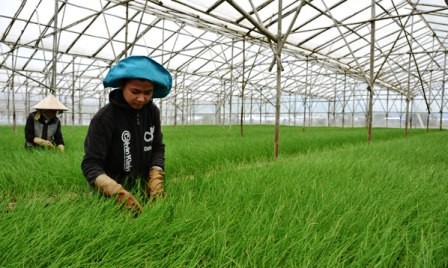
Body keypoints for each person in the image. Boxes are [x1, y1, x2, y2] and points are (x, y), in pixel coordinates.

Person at [81, 55, 172, 214]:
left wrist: (156, 175)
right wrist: (114, 190)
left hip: (143, 188)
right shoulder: (105, 118)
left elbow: (157, 147)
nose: (141, 98)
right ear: (122, 86)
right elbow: (90, 164)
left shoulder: (152, 112)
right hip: (112, 193)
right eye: (135, 91)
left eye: (148, 93)